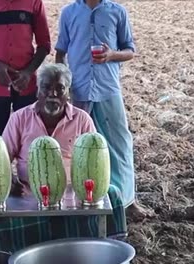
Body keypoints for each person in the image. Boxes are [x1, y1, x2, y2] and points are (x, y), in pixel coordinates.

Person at [0, 63, 127, 253]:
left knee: (112, 192)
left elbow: (95, 158)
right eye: (47, 87)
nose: (53, 94)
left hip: (72, 195)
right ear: (38, 91)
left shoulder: (82, 120)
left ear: (68, 93)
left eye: (60, 88)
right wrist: (8, 179)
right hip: (29, 195)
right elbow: (2, 158)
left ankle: (108, 250)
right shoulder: (20, 118)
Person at [54, 0, 154, 220]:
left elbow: (129, 50)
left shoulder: (117, 12)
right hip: (79, 89)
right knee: (74, 145)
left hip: (108, 88)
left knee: (120, 143)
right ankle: (75, 200)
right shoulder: (69, 13)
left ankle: (127, 201)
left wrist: (111, 56)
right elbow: (60, 52)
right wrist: (61, 83)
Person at [0, 0, 51, 135]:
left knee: (28, 139)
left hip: (27, 86)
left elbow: (44, 44)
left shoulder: (34, 2)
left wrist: (28, 72)